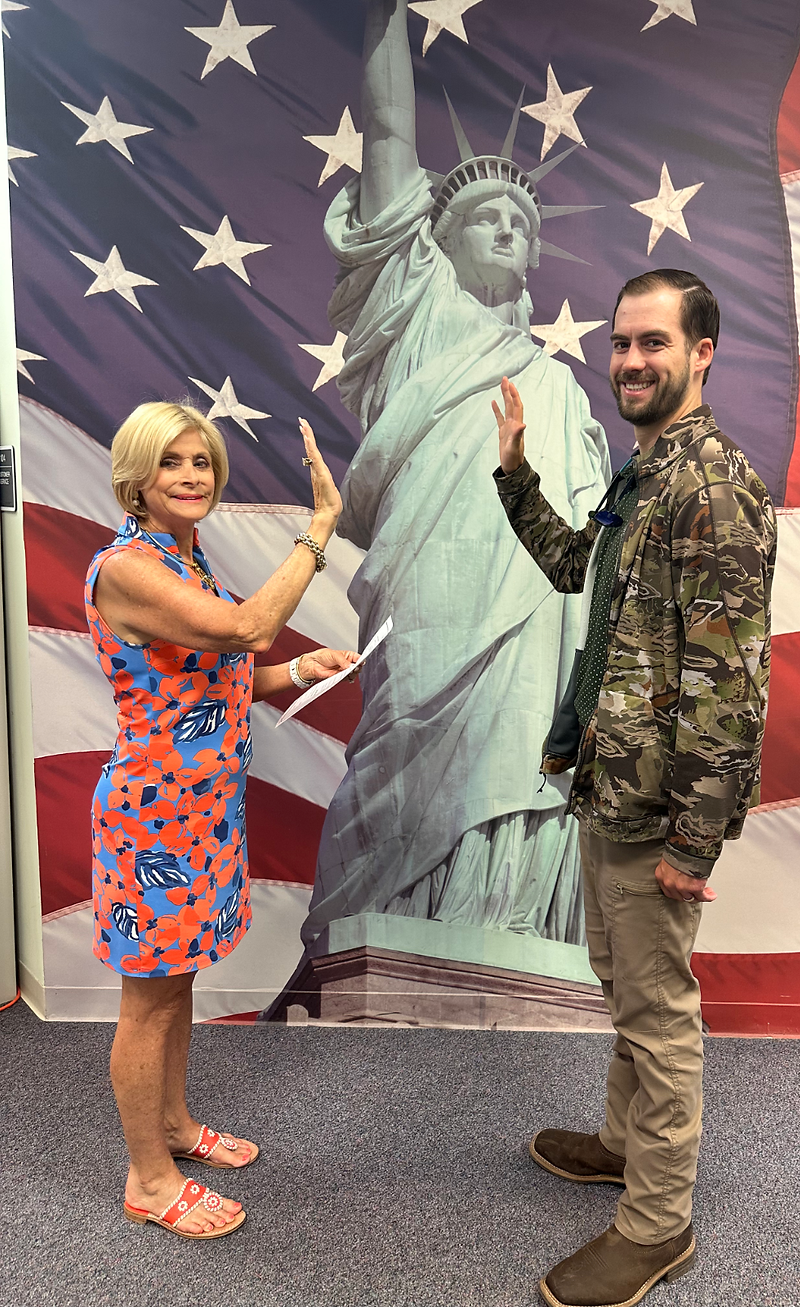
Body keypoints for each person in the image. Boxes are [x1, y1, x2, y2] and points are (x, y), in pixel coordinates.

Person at [296, 0, 609, 957]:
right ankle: (392, 906)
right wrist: (382, 18)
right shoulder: (417, 307)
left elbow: (587, 538)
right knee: (406, 725)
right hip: (433, 571)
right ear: (441, 237)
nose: (504, 230)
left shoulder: (562, 386)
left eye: (519, 222)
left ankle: (503, 911)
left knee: (525, 732)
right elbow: (390, 133)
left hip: (536, 596)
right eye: (483, 218)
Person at [492, 270, 777, 1306]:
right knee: (622, 981)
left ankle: (657, 1224)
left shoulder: (713, 489)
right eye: (620, 343)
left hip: (658, 806)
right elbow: (579, 568)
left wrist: (693, 843)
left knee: (658, 1013)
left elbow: (730, 685)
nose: (629, 361)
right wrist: (516, 476)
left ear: (702, 351)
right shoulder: (646, 473)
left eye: (652, 342)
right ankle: (622, 1144)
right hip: (610, 781)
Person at [86, 401, 356, 1238]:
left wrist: (296, 670)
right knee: (148, 1002)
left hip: (204, 816)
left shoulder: (187, 560)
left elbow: (218, 679)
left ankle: (173, 1126)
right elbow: (247, 628)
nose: (190, 475)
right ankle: (149, 1178)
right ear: (136, 479)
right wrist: (321, 524)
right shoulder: (127, 568)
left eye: (200, 460)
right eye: (170, 461)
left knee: (178, 985)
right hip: (153, 820)